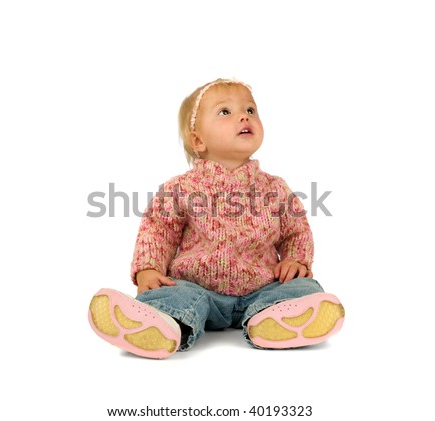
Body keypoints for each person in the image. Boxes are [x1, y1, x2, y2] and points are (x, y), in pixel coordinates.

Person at [88, 78, 345, 359]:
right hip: (197, 288)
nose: (244, 116)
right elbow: (157, 230)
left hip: (263, 286)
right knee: (173, 295)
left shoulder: (275, 187)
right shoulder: (181, 188)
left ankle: (278, 321)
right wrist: (147, 269)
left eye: (250, 110)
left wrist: (296, 260)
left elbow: (296, 231)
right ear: (198, 139)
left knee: (302, 288)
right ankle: (158, 323)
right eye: (225, 112)